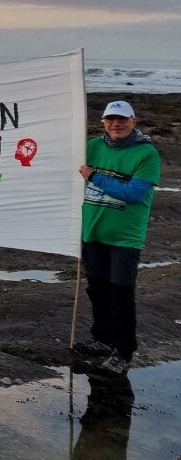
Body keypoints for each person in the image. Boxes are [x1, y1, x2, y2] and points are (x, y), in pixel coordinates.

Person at [77, 100, 161, 376]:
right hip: (93, 232)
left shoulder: (146, 153)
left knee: (121, 294)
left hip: (125, 238)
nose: (116, 124)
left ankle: (123, 351)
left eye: (122, 119)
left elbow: (134, 193)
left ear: (133, 121)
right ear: (103, 122)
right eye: (111, 119)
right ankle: (101, 339)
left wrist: (95, 176)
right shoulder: (91, 147)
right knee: (98, 290)